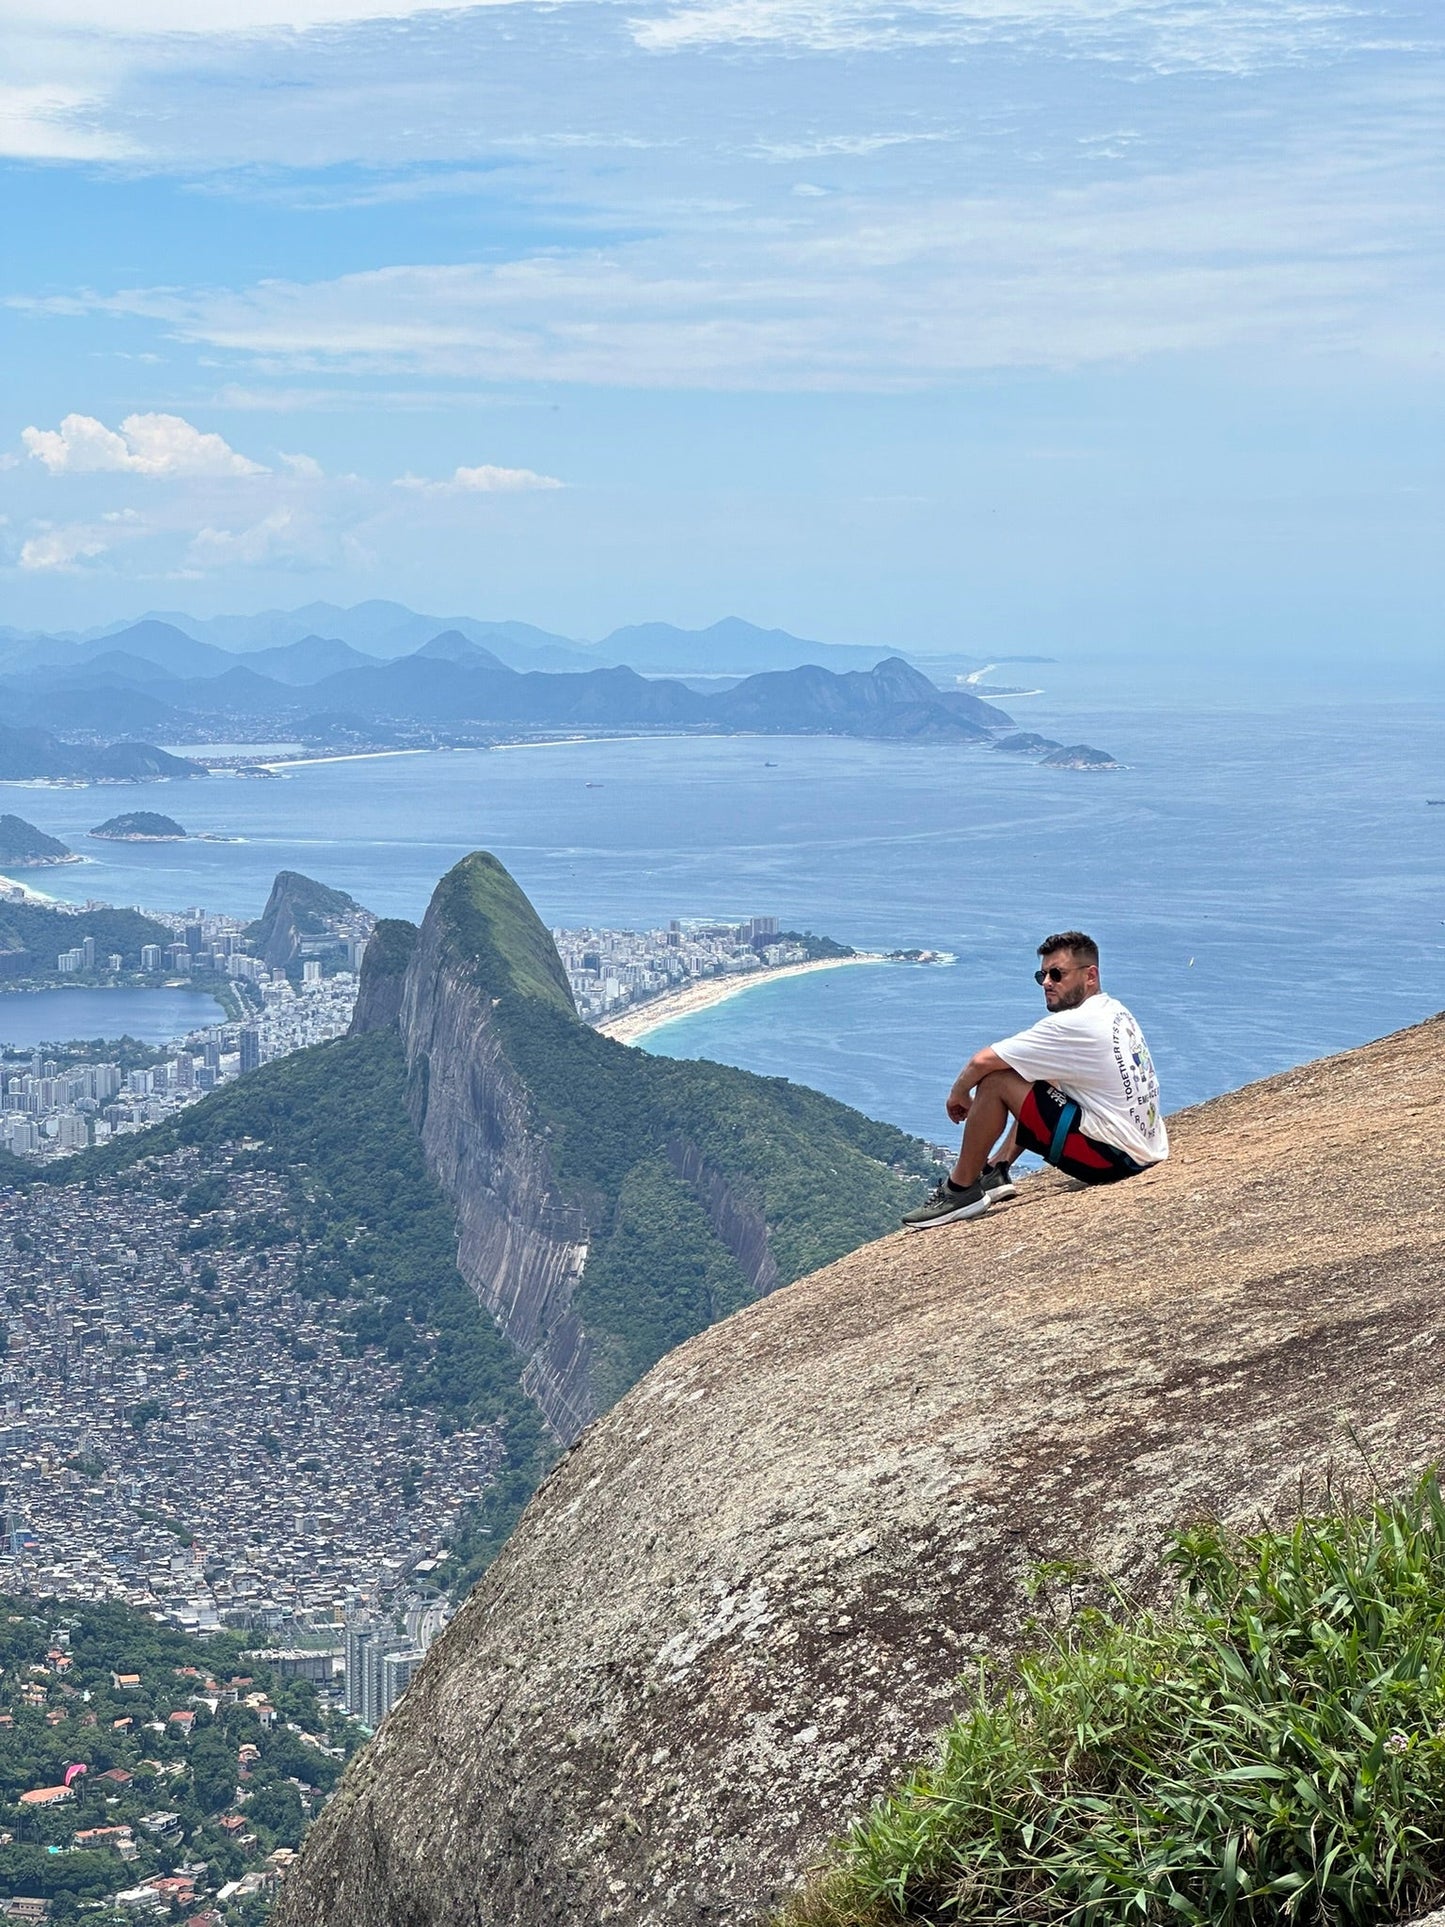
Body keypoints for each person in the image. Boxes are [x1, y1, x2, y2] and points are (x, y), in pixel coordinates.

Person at [902, 930, 1167, 1231]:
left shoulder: (1073, 1024)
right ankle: (997, 1167)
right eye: (1041, 975)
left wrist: (958, 1093)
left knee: (997, 1080)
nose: (1047, 983)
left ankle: (961, 1190)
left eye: (1057, 974)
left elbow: (981, 1062)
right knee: (1035, 1069)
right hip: (1141, 1147)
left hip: (1111, 1158)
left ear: (1090, 975)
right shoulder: (1114, 1010)